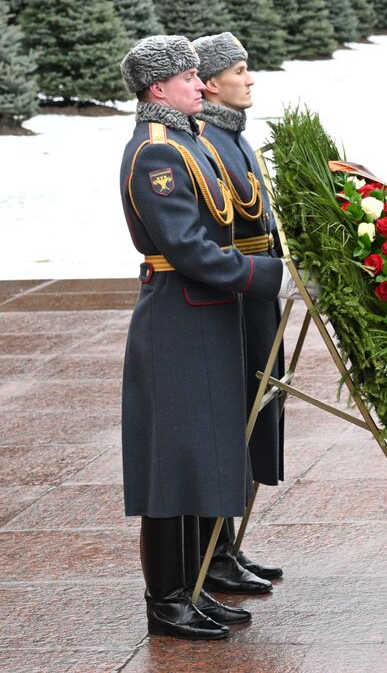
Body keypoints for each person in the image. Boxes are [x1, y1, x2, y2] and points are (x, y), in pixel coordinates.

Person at [118, 35, 287, 640]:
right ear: (158, 89)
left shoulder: (190, 141)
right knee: (173, 465)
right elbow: (187, 247)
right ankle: (165, 601)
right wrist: (265, 276)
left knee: (198, 458)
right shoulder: (156, 153)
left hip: (204, 312)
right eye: (188, 78)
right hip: (177, 315)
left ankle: (190, 587)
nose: (200, 84)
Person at [192, 32, 286, 595]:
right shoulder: (207, 137)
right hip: (238, 293)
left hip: (256, 293)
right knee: (232, 421)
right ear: (209, 83)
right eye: (240, 70)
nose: (250, 78)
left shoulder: (234, 136)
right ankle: (215, 554)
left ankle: (228, 549)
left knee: (254, 415)